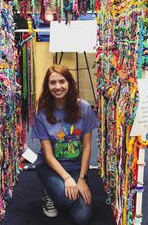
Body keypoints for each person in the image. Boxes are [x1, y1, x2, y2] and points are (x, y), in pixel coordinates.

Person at [31, 64, 98, 225]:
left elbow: (87, 146)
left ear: (69, 83)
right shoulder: (42, 114)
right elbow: (48, 155)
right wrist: (67, 178)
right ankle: (49, 191)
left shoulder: (85, 108)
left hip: (76, 167)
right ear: (47, 86)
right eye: (52, 83)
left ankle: (72, 187)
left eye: (62, 81)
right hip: (50, 167)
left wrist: (82, 178)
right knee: (65, 199)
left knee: (82, 219)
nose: (58, 87)